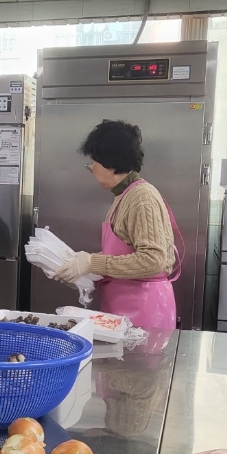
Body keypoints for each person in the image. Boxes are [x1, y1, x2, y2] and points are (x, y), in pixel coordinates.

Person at [53, 120, 181, 331]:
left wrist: (92, 263)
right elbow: (123, 254)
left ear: (110, 164)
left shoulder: (142, 198)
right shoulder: (124, 196)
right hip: (125, 309)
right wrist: (84, 268)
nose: (91, 169)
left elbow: (153, 261)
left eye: (93, 163)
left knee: (138, 365)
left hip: (145, 313)